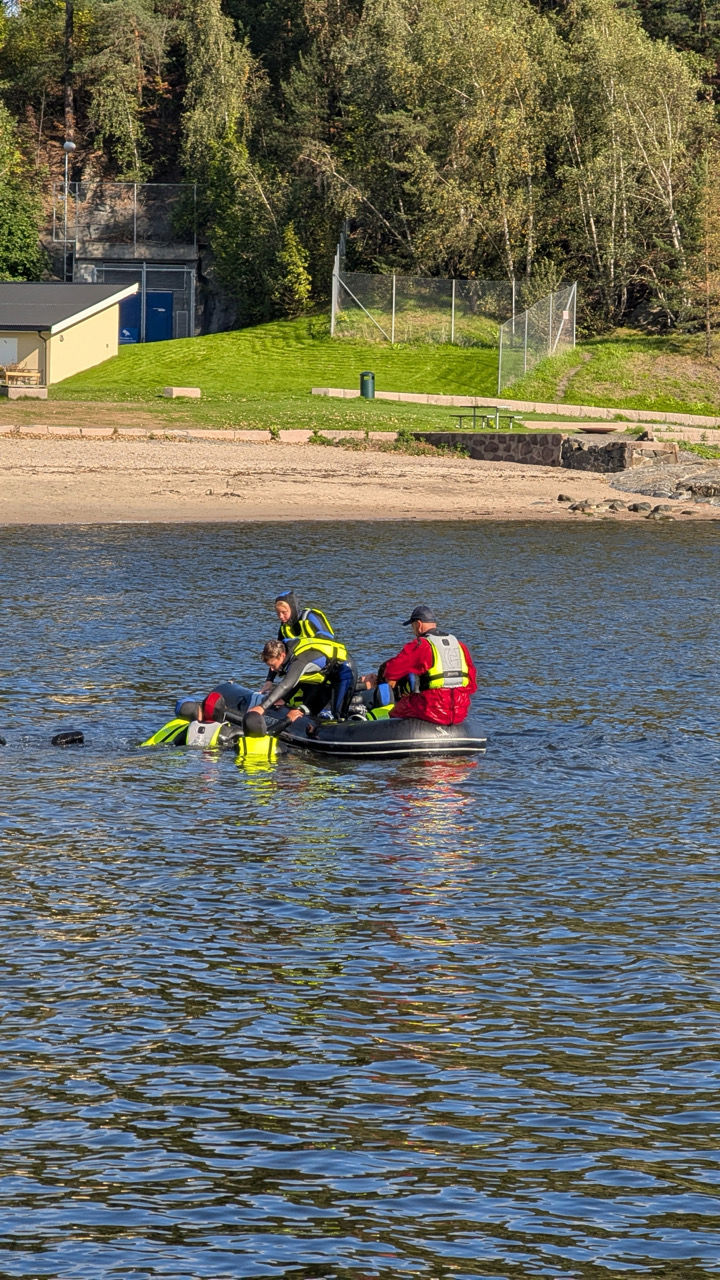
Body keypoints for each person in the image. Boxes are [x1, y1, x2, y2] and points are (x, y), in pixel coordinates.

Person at [370, 604, 476, 725]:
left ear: (418, 625)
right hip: (459, 711)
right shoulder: (460, 645)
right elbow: (472, 685)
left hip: (432, 709)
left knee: (396, 711)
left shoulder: (421, 645)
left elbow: (391, 670)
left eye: (412, 627)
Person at [246, 634, 357, 732]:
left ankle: (348, 726)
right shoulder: (287, 651)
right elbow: (298, 680)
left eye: (273, 665)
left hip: (344, 670)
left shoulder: (299, 660)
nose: (272, 670)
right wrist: (285, 699)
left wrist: (262, 707)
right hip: (325, 677)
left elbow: (286, 684)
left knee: (339, 714)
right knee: (312, 710)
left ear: (282, 656)